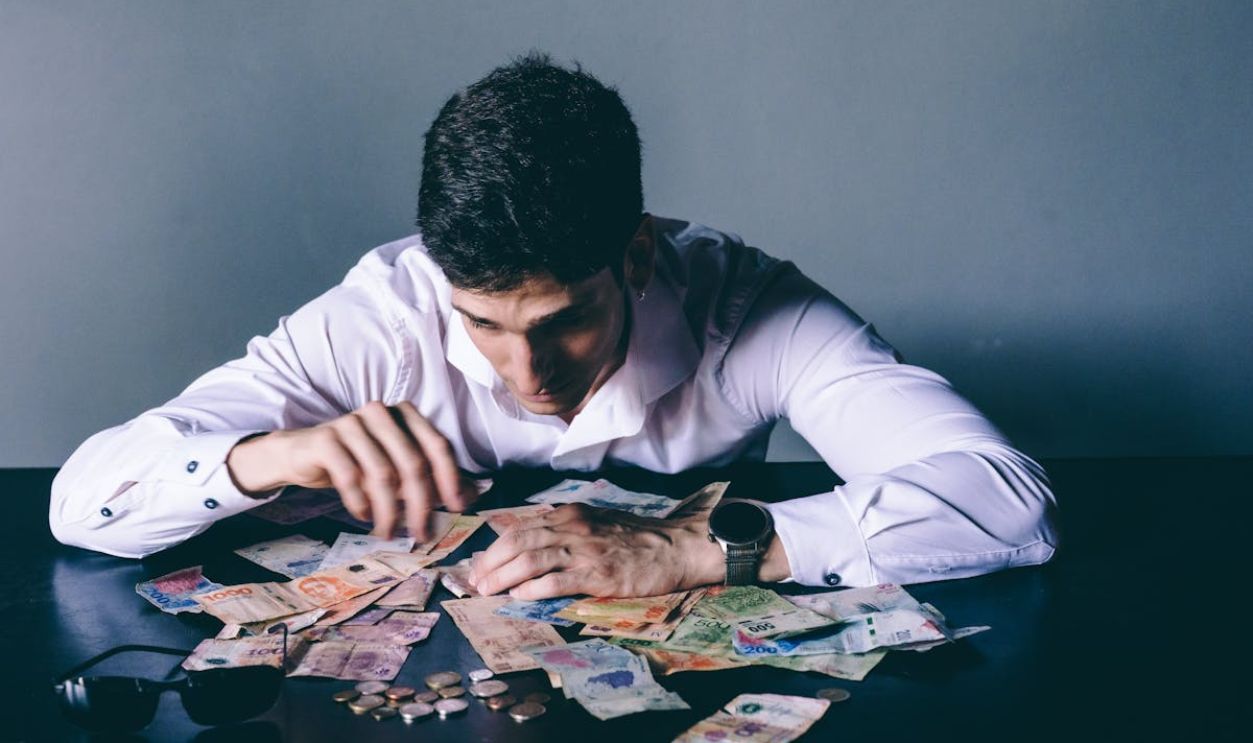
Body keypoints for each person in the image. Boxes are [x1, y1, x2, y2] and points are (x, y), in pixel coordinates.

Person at [49, 52, 1057, 599]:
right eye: (481, 323)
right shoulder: (378, 313)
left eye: (562, 321)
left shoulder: (751, 308)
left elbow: (1007, 502)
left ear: (637, 253)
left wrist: (694, 549)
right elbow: (80, 504)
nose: (524, 373)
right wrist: (269, 453)